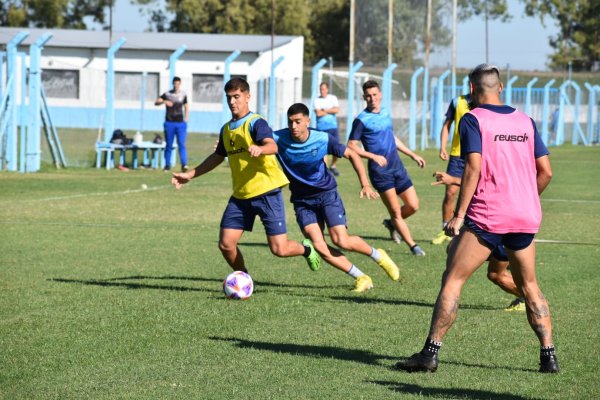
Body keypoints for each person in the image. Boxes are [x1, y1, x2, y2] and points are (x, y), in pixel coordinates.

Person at [395, 64, 558, 374]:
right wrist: (526, 200)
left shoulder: (472, 119)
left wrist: (458, 215)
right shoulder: (525, 121)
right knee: (531, 285)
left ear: (471, 89)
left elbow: (473, 168)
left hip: (487, 217)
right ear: (501, 87)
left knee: (453, 280)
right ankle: (548, 355)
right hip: (524, 217)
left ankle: (429, 354)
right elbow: (546, 171)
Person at [171, 78, 321, 277]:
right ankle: (244, 278)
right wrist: (189, 175)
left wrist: (260, 148)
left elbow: (273, 145)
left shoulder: (256, 123)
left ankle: (307, 249)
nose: (232, 102)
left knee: (279, 249)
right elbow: (217, 156)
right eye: (229, 98)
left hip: (266, 192)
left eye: (236, 97)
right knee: (226, 245)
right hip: (241, 196)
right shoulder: (226, 129)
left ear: (247, 97)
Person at [273, 103, 401, 292]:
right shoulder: (277, 138)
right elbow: (252, 139)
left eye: (298, 122)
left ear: (307, 121)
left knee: (341, 240)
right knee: (320, 246)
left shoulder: (322, 138)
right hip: (302, 201)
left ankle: (378, 255)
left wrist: (365, 183)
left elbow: (352, 154)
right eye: (290, 122)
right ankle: (361, 277)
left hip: (327, 194)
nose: (293, 127)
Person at [347, 80, 427, 256]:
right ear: (364, 97)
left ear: (380, 95)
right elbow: (351, 146)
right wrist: (373, 156)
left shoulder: (385, 112)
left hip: (397, 167)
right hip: (380, 172)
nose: (372, 98)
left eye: (374, 95)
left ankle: (391, 224)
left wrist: (412, 155)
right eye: (368, 96)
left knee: (413, 206)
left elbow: (391, 137)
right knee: (396, 212)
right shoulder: (361, 120)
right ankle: (414, 246)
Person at [432, 171, 525, 311]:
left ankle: (530, 299)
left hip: (496, 222)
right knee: (495, 274)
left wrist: (453, 179)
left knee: (494, 274)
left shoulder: (494, 155)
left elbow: (481, 179)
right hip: (491, 221)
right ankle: (529, 298)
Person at [430, 93, 471, 246]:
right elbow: (447, 125)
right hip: (457, 155)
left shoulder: (485, 102)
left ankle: (469, 230)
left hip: (476, 154)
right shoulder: (457, 101)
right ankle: (445, 229)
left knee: (474, 192)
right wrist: (442, 146)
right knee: (450, 192)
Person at [155, 76, 190, 172]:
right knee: (169, 145)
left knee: (181, 144)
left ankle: (184, 164)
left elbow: (186, 106)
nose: (176, 86)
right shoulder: (167, 94)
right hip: (169, 123)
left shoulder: (183, 95)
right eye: (175, 84)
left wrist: (186, 118)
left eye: (178, 84)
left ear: (180, 84)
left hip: (180, 124)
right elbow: (156, 102)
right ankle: (167, 165)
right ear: (173, 84)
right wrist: (164, 101)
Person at [313, 82, 341, 176]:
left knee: (337, 150)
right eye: (321, 89)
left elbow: (337, 110)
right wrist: (330, 110)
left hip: (333, 127)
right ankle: (325, 170)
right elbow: (318, 113)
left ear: (327, 89)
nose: (323, 91)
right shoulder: (316, 100)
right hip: (321, 128)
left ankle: (333, 166)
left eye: (324, 89)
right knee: (323, 150)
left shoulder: (333, 98)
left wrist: (324, 110)